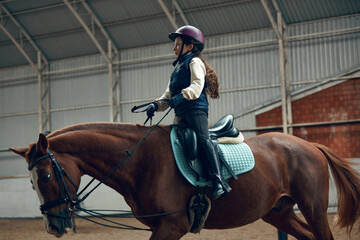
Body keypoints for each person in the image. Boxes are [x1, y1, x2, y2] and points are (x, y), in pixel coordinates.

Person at [146, 25, 231, 200]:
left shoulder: (194, 62)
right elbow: (168, 95)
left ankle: (218, 181)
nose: (174, 48)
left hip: (195, 111)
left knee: (203, 139)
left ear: (190, 46)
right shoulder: (176, 69)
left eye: (177, 44)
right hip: (181, 115)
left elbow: (197, 85)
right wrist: (156, 105)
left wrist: (182, 96)